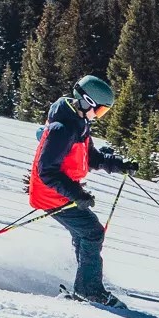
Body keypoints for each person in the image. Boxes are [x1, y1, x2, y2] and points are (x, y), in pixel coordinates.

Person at [30, 74, 131, 306]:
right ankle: (89, 290)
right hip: (51, 194)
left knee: (85, 232)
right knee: (92, 232)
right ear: (87, 102)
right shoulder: (62, 129)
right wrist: (77, 194)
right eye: (100, 110)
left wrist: (118, 164)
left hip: (62, 191)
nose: (99, 115)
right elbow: (46, 171)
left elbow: (91, 157)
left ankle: (86, 280)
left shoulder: (79, 123)